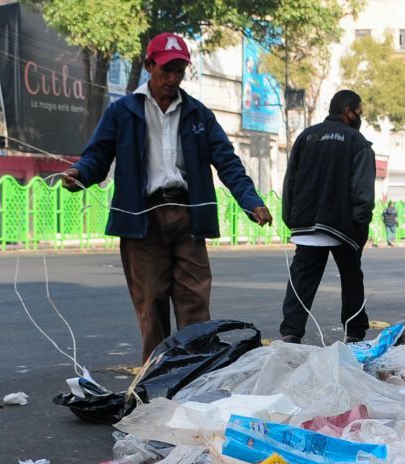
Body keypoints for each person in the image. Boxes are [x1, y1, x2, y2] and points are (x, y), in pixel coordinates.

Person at [64, 33, 272, 359]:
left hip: (189, 217)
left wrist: (251, 201)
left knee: (195, 304)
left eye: (180, 71)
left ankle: (196, 376)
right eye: (166, 70)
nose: (173, 78)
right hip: (141, 221)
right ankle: (157, 380)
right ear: (149, 66)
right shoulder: (122, 112)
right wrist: (80, 175)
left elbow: (228, 163)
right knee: (151, 304)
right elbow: (97, 157)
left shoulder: (199, 114)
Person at [280, 90, 376, 344]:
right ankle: (355, 332)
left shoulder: (306, 137)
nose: (360, 117)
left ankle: (291, 332)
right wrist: (359, 226)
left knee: (301, 280)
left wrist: (292, 219)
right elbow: (363, 191)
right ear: (348, 111)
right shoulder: (357, 142)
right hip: (341, 227)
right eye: (359, 112)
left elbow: (290, 182)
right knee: (352, 278)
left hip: (306, 222)